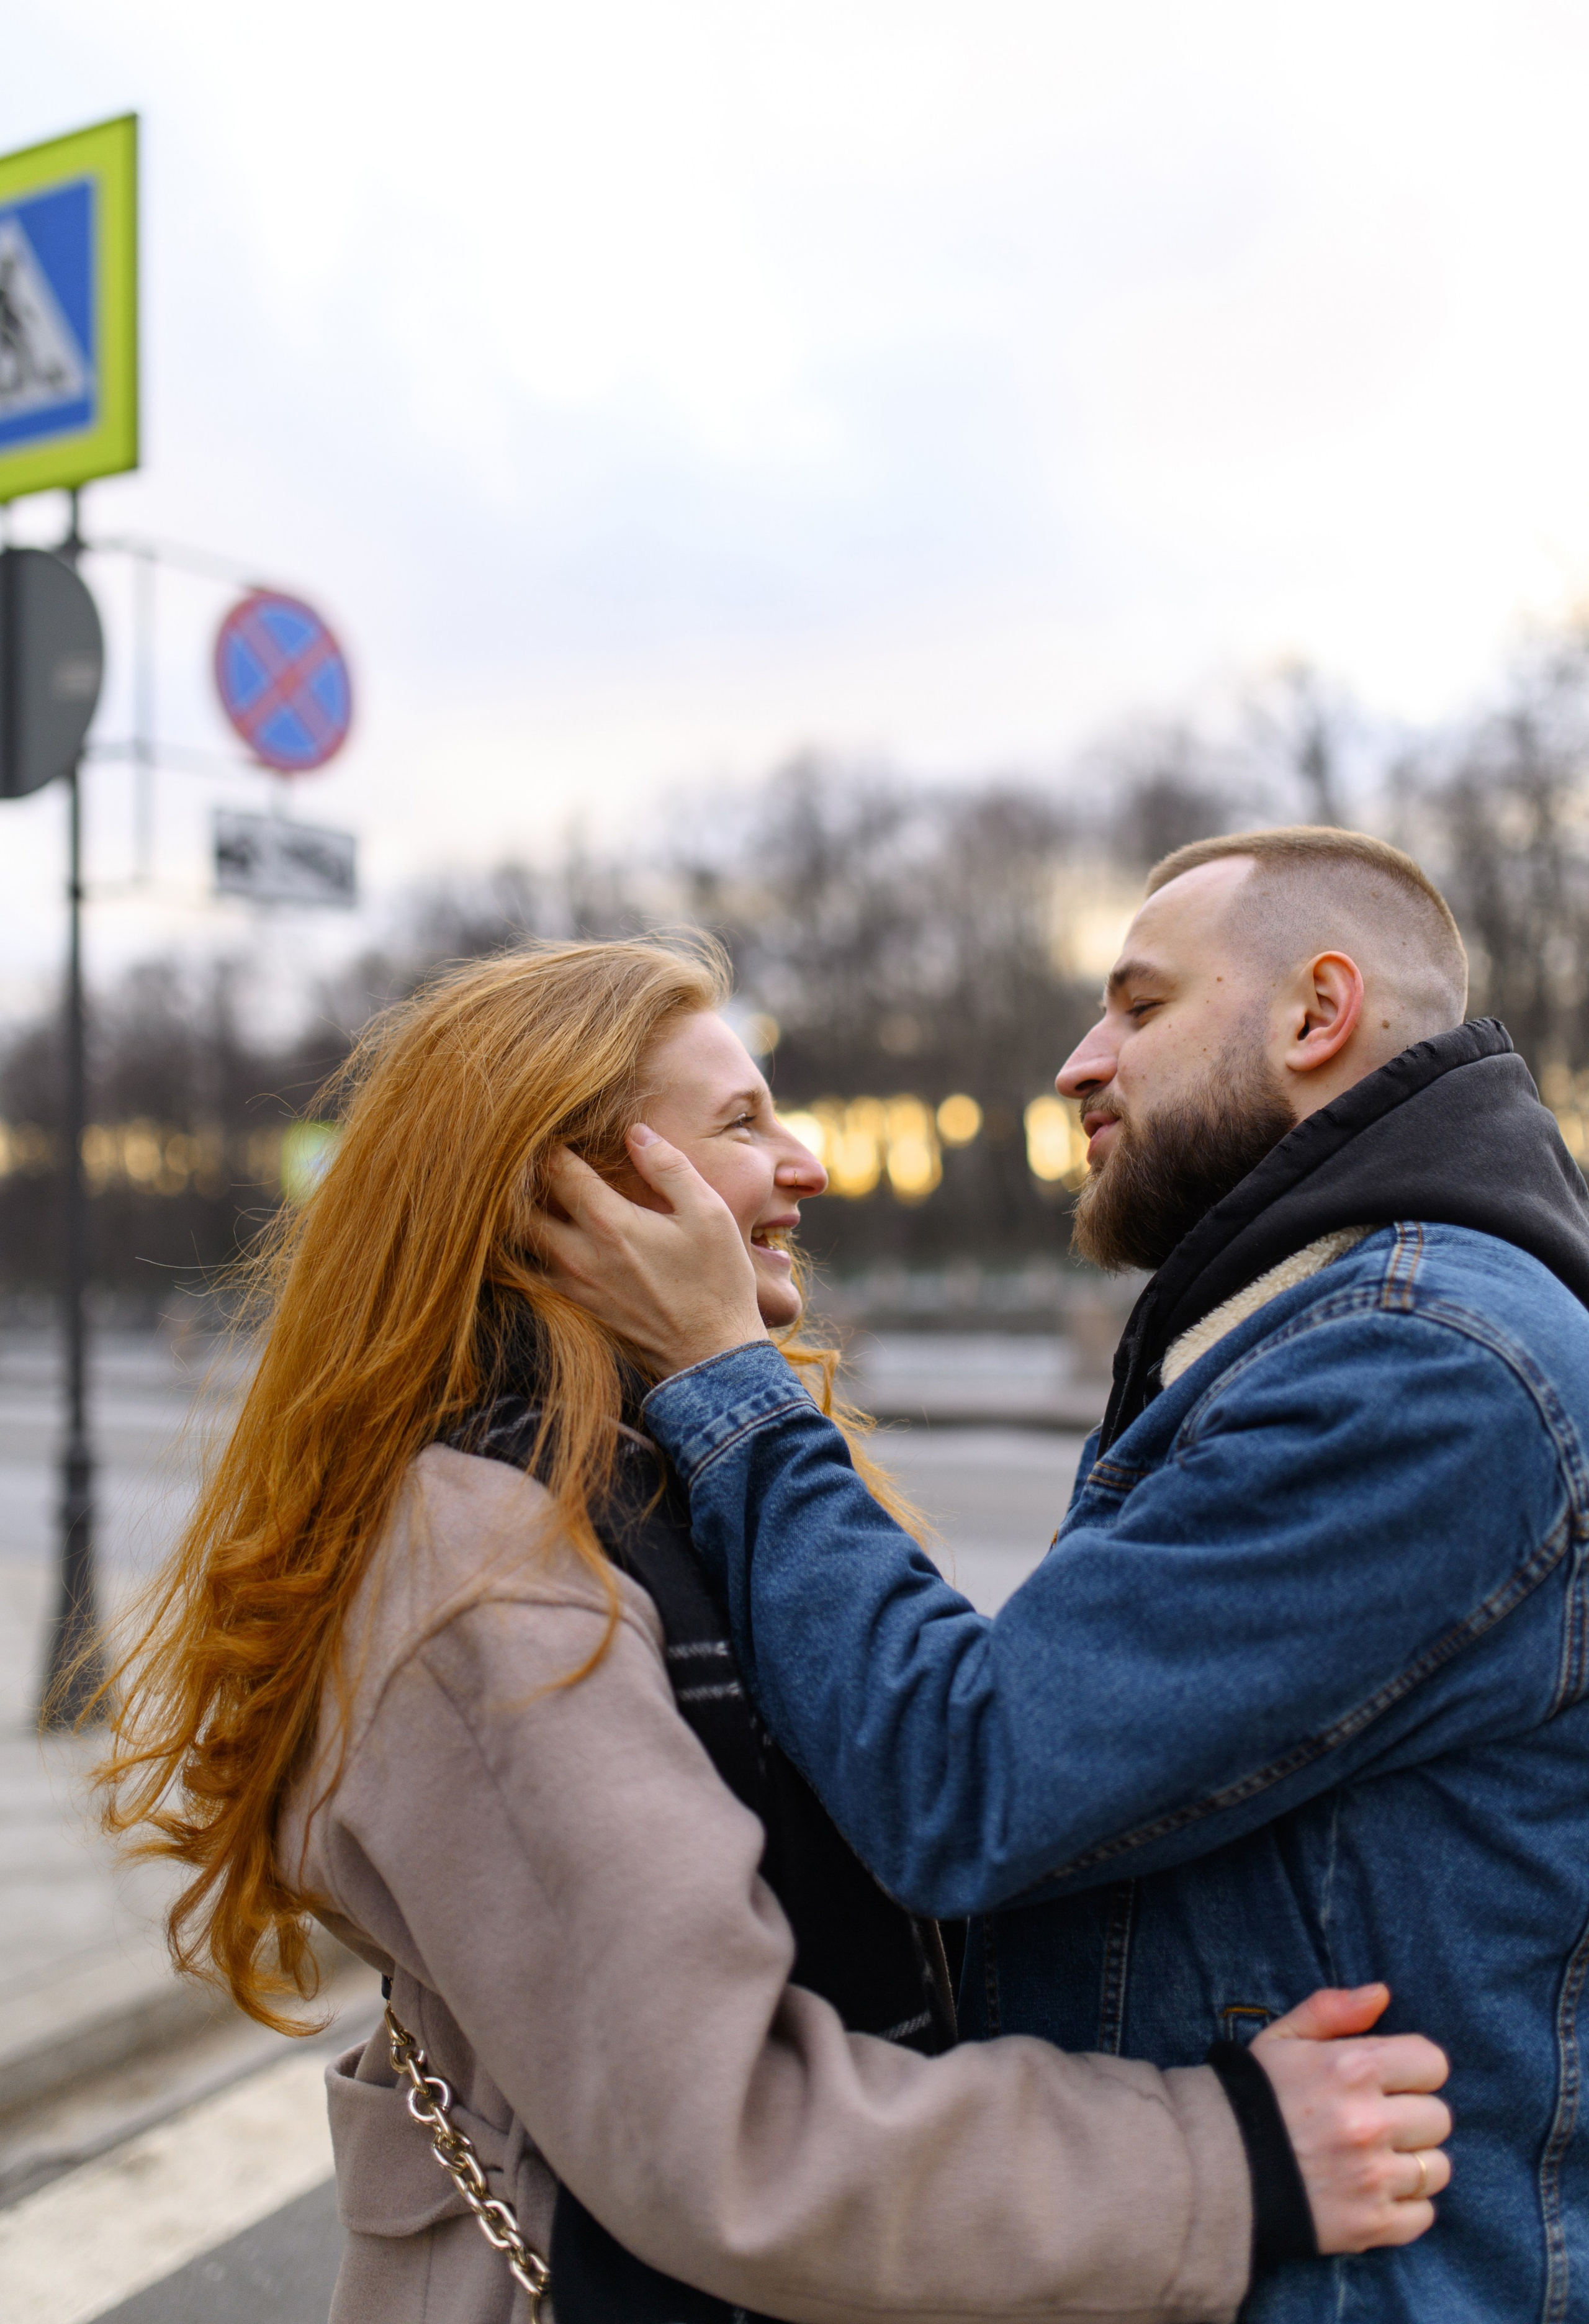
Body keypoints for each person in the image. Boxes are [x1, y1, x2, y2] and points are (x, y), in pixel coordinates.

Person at [96, 933, 1447, 2324]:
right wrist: (1218, 2153)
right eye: (741, 1122)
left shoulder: (661, 1482)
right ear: (573, 1192)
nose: (805, 1164)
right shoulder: (489, 1565)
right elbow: (728, 2135)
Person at [534, 829, 1589, 2322]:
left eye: (1139, 1007)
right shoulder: (1324, 1319)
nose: (1078, 1061)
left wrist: (724, 1376)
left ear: (1314, 1014)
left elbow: (964, 1779)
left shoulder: (1419, 1366)